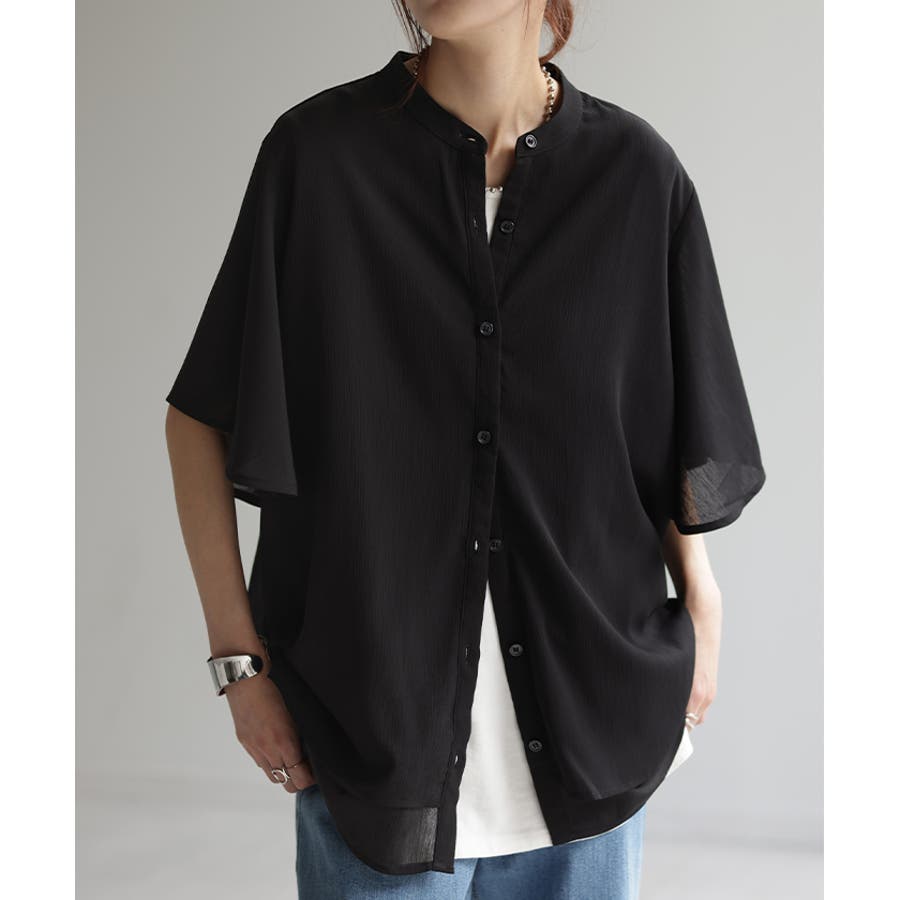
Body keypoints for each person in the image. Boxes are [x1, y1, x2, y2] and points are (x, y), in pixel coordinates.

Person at [164, 2, 766, 898]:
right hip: (372, 739)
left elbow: (664, 433)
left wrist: (703, 596)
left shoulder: (639, 176)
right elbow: (199, 418)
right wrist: (239, 666)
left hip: (597, 734)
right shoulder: (319, 158)